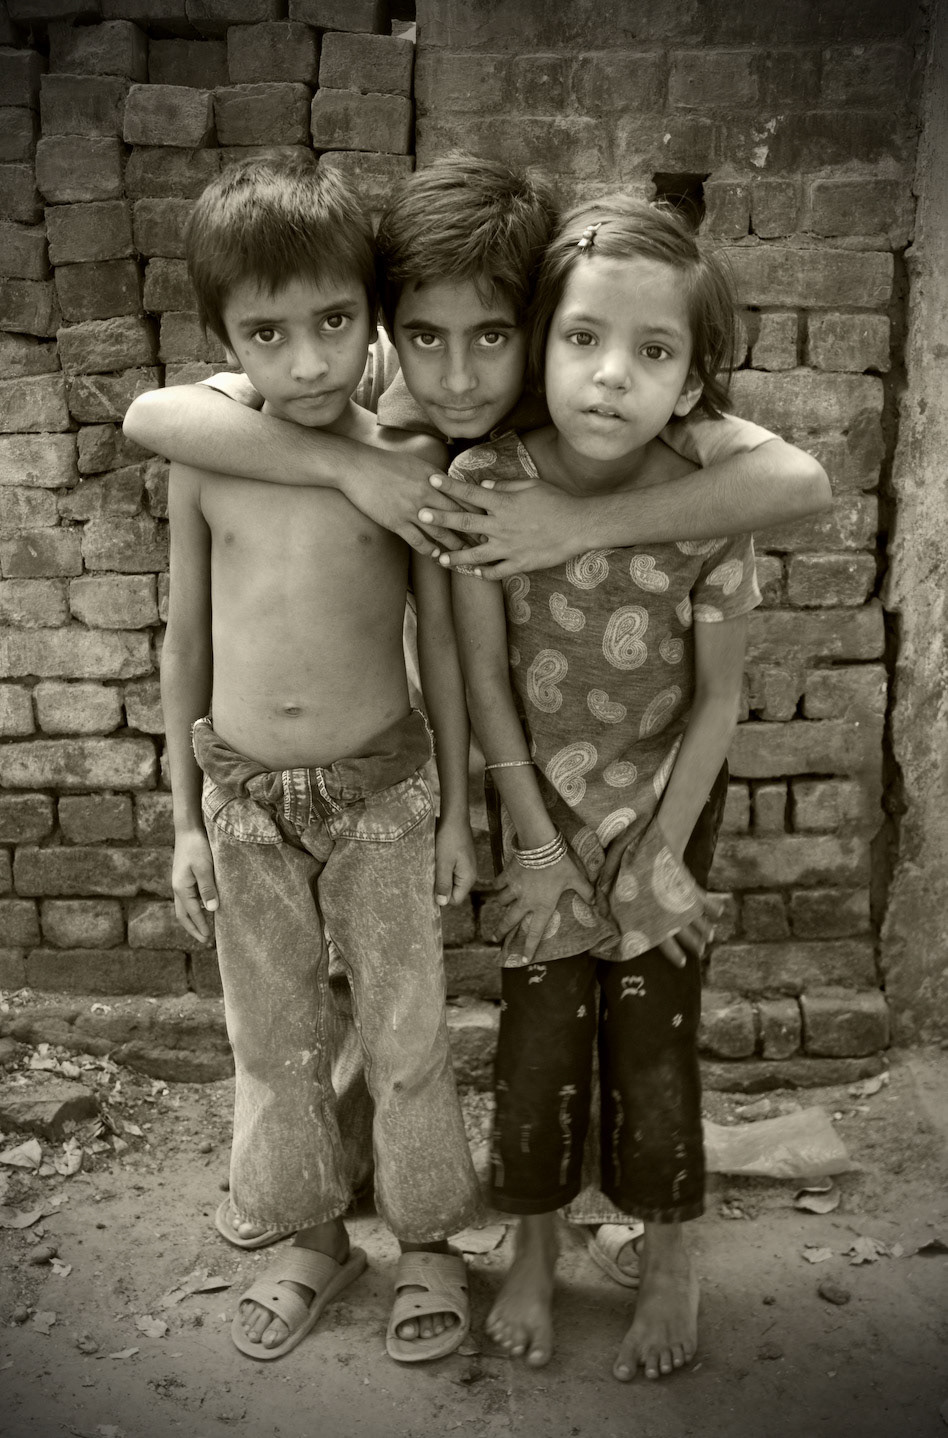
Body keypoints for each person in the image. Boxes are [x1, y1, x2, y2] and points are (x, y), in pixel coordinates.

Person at [125, 152, 829, 1284]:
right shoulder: (384, 417)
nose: (456, 379)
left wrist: (570, 530)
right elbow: (153, 414)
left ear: (540, 324)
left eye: (494, 338)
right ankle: (365, 1198)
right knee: (412, 989)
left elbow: (798, 486)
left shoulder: (594, 416)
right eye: (424, 338)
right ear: (391, 331)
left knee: (508, 986)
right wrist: (350, 471)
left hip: (574, 762)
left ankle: (579, 1205)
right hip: (437, 753)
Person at [161, 154, 482, 1364]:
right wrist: (184, 818)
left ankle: (433, 1239)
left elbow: (443, 648)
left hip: (385, 793)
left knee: (406, 1030)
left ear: (375, 322)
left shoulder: (408, 465)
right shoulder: (211, 458)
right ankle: (313, 1235)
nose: (306, 362)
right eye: (267, 332)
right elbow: (184, 640)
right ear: (223, 337)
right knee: (272, 1034)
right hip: (243, 805)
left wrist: (457, 810)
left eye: (336, 323)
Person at [450, 194, 760, 1383]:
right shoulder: (489, 479)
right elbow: (485, 688)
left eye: (653, 350)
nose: (611, 375)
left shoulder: (710, 510)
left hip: (667, 811)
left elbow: (720, 701)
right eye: (583, 339)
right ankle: (533, 1252)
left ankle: (672, 1249)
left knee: (652, 1044)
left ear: (689, 382)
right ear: (543, 343)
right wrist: (537, 843)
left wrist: (665, 853)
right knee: (536, 1043)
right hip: (542, 815)